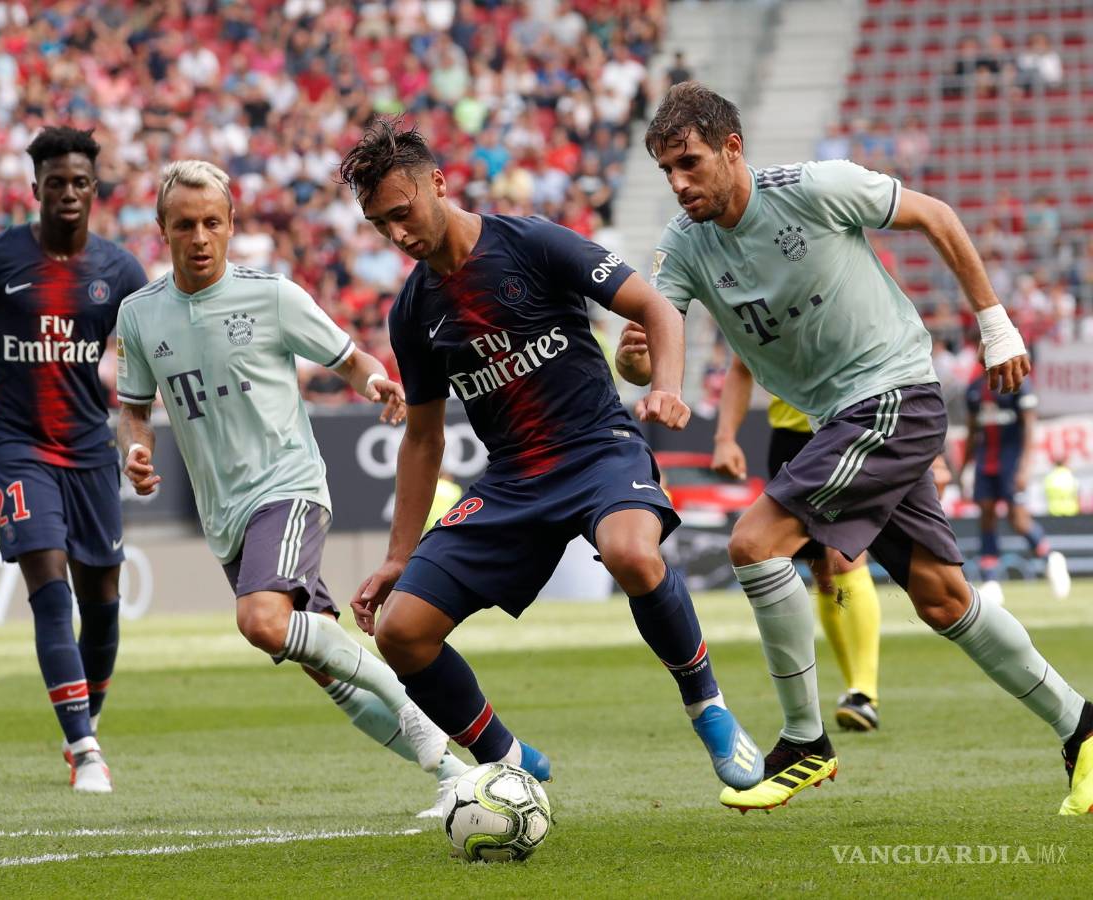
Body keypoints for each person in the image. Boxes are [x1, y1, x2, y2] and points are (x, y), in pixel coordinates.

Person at [617, 82, 1093, 816]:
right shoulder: (684, 243)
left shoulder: (814, 188)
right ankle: (1082, 726)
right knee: (940, 598)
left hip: (894, 395)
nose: (679, 184)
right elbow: (657, 330)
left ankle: (805, 742)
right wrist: (644, 366)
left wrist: (995, 324)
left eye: (690, 163)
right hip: (840, 417)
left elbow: (935, 215)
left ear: (732, 148)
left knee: (753, 542)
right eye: (667, 172)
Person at [340, 118, 764, 793]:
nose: (396, 235)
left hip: (598, 450)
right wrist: (398, 555)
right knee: (400, 634)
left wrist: (668, 388)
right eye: (379, 224)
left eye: (401, 213)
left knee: (632, 554)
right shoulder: (413, 311)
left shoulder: (530, 242)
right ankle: (508, 760)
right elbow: (424, 438)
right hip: (513, 481)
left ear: (439, 185)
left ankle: (707, 705)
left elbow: (658, 308)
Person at [114, 159, 466, 818]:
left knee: (262, 621)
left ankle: (427, 728)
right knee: (321, 663)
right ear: (162, 228)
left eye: (211, 222)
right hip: (224, 515)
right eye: (184, 224)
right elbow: (134, 408)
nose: (198, 236)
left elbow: (348, 359)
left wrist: (376, 384)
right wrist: (136, 448)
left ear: (230, 225)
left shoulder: (271, 295)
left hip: (287, 485)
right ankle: (452, 775)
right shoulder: (139, 316)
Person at [0, 127, 147, 794]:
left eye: (79, 182)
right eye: (55, 182)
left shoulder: (121, 272)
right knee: (48, 586)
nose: (67, 193)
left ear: (95, 190)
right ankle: (85, 746)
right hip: (17, 448)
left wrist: (137, 441)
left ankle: (83, 722)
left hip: (91, 452)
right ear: (34, 188)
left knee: (102, 603)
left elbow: (146, 370)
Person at [709, 355, 883, 731]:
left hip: (843, 425)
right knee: (822, 572)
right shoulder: (757, 303)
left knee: (844, 557)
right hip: (788, 438)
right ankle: (855, 688)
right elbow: (741, 367)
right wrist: (724, 437)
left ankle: (864, 692)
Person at [962, 370, 1070, 601]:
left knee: (1017, 519)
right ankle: (991, 581)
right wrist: (964, 467)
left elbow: (1030, 426)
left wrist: (1025, 467)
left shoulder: (1017, 383)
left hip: (1011, 462)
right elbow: (972, 431)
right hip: (984, 463)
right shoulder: (974, 389)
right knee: (987, 517)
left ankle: (1050, 558)